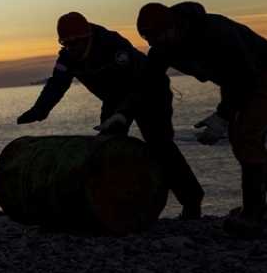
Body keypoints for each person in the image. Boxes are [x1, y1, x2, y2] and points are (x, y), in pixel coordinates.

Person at [125, 2, 267, 238]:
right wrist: (123, 114)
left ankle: (252, 217)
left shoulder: (213, 31)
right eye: (146, 37)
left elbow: (245, 75)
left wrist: (222, 117)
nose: (152, 42)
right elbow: (145, 84)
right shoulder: (163, 48)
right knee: (245, 140)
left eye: (155, 35)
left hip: (264, 75)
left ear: (173, 27)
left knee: (244, 136)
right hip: (235, 83)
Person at [18, 12, 204, 219]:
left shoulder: (114, 46)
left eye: (75, 43)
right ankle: (111, 203)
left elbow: (138, 86)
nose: (72, 48)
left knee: (160, 144)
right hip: (114, 99)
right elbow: (57, 82)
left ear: (87, 37)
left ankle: (191, 202)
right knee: (105, 148)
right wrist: (40, 109)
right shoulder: (68, 57)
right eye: (66, 44)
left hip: (149, 92)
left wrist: (124, 114)